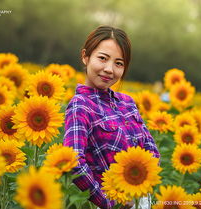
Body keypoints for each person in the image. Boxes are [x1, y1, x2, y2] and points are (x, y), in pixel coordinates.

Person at [63, 25, 160, 209]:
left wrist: (139, 185)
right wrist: (109, 202)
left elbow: (151, 151)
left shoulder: (128, 103)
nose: (109, 69)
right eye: (102, 58)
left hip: (143, 199)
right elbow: (74, 161)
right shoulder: (81, 105)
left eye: (118, 63)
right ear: (85, 56)